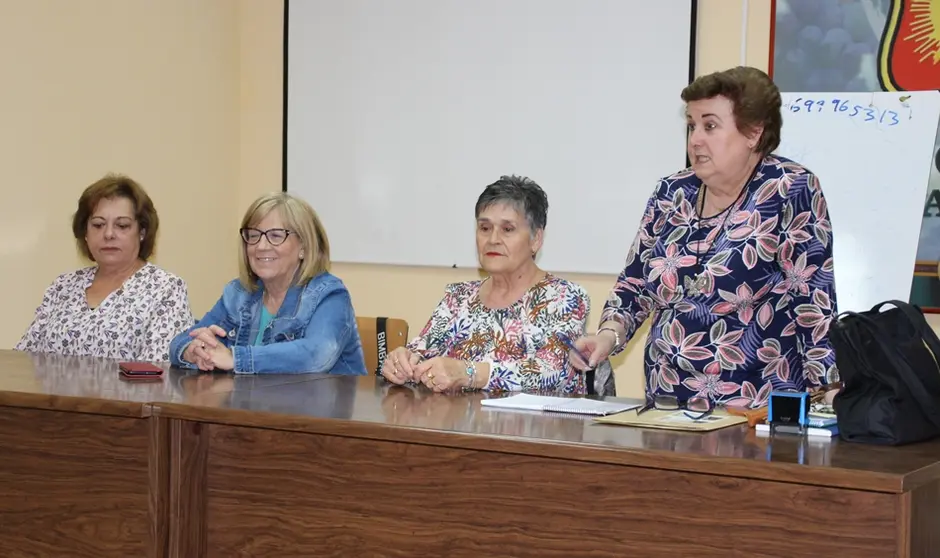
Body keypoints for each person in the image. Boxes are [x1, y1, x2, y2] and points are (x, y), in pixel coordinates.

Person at [571, 66, 839, 409]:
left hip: (755, 406)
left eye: (710, 126)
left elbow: (812, 299)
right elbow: (635, 283)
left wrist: (829, 391)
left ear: (753, 132)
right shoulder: (671, 192)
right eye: (691, 125)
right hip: (667, 399)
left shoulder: (788, 189)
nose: (695, 139)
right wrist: (608, 335)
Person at [380, 175, 590, 393]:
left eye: (508, 229)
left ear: (536, 239)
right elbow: (420, 352)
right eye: (485, 228)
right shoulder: (459, 297)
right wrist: (402, 362)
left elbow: (553, 373)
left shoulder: (564, 297)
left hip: (531, 426)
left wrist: (469, 373)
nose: (493, 239)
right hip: (455, 424)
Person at [169, 192, 367, 375]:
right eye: (253, 236)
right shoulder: (238, 294)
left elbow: (317, 354)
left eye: (276, 236)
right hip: (251, 409)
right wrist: (192, 350)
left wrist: (235, 358)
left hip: (317, 412)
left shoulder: (329, 294)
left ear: (304, 247)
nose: (261, 246)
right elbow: (183, 339)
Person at [16, 174, 194, 361]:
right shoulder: (63, 286)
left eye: (122, 225)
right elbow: (24, 360)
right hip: (48, 392)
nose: (108, 234)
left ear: (141, 232)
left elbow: (157, 373)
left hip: (126, 391)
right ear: (85, 233)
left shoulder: (166, 289)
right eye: (98, 225)